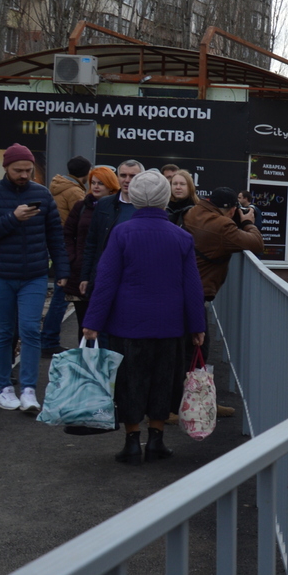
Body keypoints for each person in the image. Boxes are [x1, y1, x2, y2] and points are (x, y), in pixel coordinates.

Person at [81, 170, 205, 465]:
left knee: (130, 380)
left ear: (134, 198)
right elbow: (192, 285)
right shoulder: (181, 237)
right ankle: (157, 441)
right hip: (170, 323)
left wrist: (93, 322)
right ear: (165, 199)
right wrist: (197, 326)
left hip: (128, 322)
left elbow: (106, 280)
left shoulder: (121, 233)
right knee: (164, 380)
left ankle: (132, 442)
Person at [0, 143, 69, 413]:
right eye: (18, 170)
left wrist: (62, 270)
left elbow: (55, 237)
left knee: (29, 329)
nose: (24, 174)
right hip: (0, 273)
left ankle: (28, 390)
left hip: (34, 275)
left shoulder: (43, 195)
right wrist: (13, 218)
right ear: (6, 168)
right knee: (4, 332)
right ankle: (4, 388)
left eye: (28, 170)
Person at [184, 187, 263, 417]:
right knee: (196, 351)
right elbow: (256, 244)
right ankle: (194, 405)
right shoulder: (222, 225)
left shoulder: (194, 212)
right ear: (230, 210)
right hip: (197, 292)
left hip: (184, 287)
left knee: (185, 351)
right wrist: (248, 222)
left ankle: (192, 402)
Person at [39, 155, 94, 354]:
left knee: (60, 294)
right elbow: (82, 221)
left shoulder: (57, 186)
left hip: (57, 245)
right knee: (63, 296)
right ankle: (49, 340)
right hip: (66, 248)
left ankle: (48, 338)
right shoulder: (75, 193)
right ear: (87, 174)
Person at [80, 160, 145, 296]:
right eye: (123, 175)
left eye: (132, 176)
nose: (127, 180)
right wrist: (85, 277)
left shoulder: (149, 207)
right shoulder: (104, 204)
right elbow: (92, 243)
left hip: (137, 277)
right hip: (106, 275)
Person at [66, 167, 118, 313]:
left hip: (107, 269)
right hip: (80, 269)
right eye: (93, 182)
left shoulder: (118, 208)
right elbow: (67, 234)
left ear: (110, 185)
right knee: (83, 321)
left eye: (100, 183)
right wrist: (72, 258)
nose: (95, 186)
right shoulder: (81, 206)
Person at [49, 156, 90, 223]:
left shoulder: (59, 184)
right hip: (67, 231)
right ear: (86, 172)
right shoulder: (75, 191)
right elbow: (82, 217)